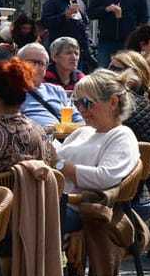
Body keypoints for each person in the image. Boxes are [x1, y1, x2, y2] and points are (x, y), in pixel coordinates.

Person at [54, 69, 145, 235]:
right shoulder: (83, 132)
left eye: (87, 103)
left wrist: (58, 164)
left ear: (113, 102)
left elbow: (104, 178)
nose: (80, 109)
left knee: (19, 218)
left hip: (79, 210)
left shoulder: (121, 135)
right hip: (58, 202)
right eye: (77, 103)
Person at [89, 0, 149, 68]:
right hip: (106, 41)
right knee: (104, 74)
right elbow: (91, 13)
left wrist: (137, 36)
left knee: (129, 73)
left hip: (129, 41)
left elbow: (143, 16)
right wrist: (105, 9)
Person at [40, 0, 93, 70]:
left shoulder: (80, 2)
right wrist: (65, 16)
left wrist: (88, 43)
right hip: (60, 51)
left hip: (78, 51)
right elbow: (45, 22)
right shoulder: (52, 2)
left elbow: (85, 24)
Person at [108, 49, 150, 142]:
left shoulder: (123, 101)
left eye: (115, 69)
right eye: (108, 68)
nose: (109, 73)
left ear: (135, 74)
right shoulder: (149, 99)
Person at [15, 43, 70, 126]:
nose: (36, 67)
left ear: (46, 67)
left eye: (41, 63)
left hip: (67, 136)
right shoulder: (10, 92)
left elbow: (77, 119)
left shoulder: (56, 90)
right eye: (30, 62)